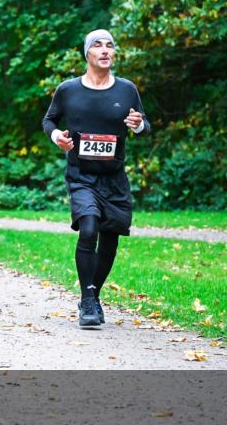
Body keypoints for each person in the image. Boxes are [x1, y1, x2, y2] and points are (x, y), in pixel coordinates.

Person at [42, 29, 150, 329]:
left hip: (114, 179)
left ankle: (93, 295)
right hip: (81, 176)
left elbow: (144, 125)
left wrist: (138, 125)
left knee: (110, 240)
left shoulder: (127, 89)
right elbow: (49, 120)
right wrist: (57, 137)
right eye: (98, 45)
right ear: (87, 53)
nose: (105, 50)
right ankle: (88, 300)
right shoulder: (68, 90)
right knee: (88, 228)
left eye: (109, 45)